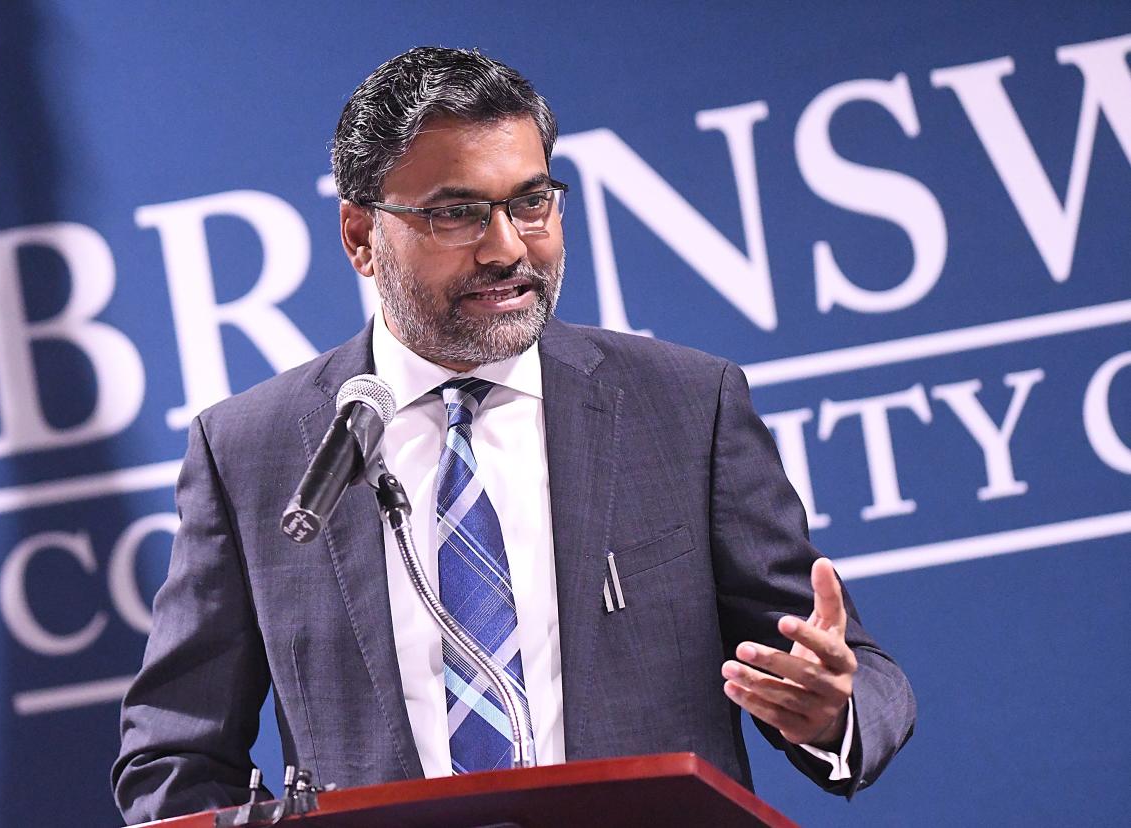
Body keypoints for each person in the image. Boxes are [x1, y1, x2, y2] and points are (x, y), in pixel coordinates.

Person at [112, 46, 915, 823]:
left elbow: (860, 680)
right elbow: (172, 754)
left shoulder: (685, 406)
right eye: (457, 213)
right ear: (361, 236)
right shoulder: (252, 450)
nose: (507, 248)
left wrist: (830, 711)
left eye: (530, 202)